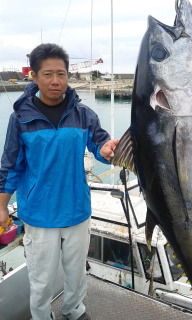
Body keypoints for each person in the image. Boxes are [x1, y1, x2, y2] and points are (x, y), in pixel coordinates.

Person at [0, 43, 118, 320]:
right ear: (35, 76)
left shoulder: (84, 114)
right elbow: (10, 165)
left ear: (68, 76)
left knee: (76, 271)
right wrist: (3, 206)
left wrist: (105, 151)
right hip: (39, 213)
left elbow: (100, 145)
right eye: (48, 74)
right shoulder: (21, 118)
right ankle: (42, 316)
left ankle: (74, 310)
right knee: (41, 279)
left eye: (62, 74)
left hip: (76, 208)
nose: (56, 81)